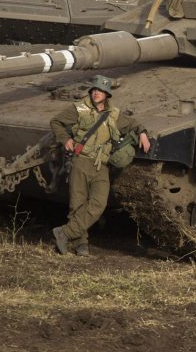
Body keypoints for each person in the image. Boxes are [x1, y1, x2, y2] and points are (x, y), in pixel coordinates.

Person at [49, 74, 150, 256]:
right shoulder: (79, 109)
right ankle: (81, 244)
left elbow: (133, 124)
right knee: (77, 204)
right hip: (81, 161)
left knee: (98, 203)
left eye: (101, 91)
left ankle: (64, 233)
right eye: (94, 90)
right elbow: (56, 122)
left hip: (101, 165)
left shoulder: (114, 114)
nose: (97, 93)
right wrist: (65, 139)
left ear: (107, 95)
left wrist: (142, 133)